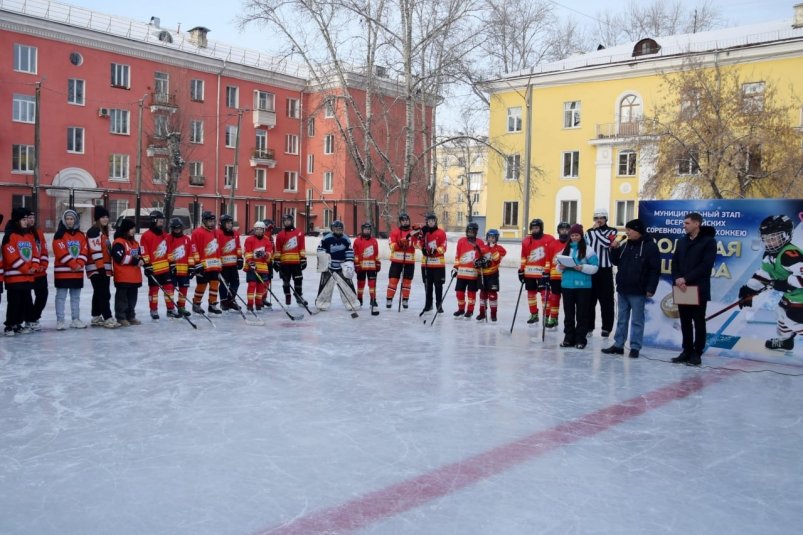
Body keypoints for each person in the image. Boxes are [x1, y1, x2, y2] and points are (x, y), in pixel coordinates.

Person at [738, 215, 803, 351]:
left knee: (794, 321)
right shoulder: (769, 255)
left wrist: (786, 283)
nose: (768, 242)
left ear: (785, 236)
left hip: (800, 297)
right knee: (781, 312)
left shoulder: (790, 255)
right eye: (766, 239)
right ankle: (785, 341)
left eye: (773, 238)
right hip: (792, 296)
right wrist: (749, 289)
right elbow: (765, 273)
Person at [602, 218, 660, 359]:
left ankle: (635, 347)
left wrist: (651, 287)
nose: (627, 232)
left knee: (637, 320)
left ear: (638, 231)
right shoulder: (626, 244)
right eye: (626, 229)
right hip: (623, 288)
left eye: (630, 229)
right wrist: (614, 249)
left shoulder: (650, 247)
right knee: (622, 318)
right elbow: (616, 261)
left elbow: (655, 269)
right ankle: (618, 345)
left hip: (638, 289)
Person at [670, 212, 717, 366]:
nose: (684, 226)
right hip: (682, 288)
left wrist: (686, 278)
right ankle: (686, 350)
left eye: (687, 223)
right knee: (685, 321)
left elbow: (705, 265)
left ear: (697, 224)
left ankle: (697, 352)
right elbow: (675, 262)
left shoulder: (708, 242)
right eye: (684, 223)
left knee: (698, 322)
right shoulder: (682, 241)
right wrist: (677, 278)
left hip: (698, 289)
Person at [557, 224, 599, 349]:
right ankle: (568, 338)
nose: (574, 237)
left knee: (582, 314)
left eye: (577, 235)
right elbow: (557, 268)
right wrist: (561, 267)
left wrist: (582, 267)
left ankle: (581, 339)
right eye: (572, 235)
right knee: (568, 314)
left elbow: (595, 268)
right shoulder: (565, 250)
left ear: (581, 236)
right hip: (567, 286)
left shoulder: (588, 250)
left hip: (583, 287)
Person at [51, 209, 89, 330]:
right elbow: (60, 251)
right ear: (64, 220)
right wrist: (74, 264)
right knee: (61, 297)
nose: (69, 221)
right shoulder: (59, 235)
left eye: (71, 219)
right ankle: (60, 320)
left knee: (75, 297)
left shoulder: (81, 235)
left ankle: (75, 319)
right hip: (63, 272)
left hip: (77, 272)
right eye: (67, 219)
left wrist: (80, 263)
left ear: (75, 220)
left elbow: (85, 249)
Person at [2, 207, 37, 336]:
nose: (26, 221)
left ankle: (18, 323)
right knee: (14, 302)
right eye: (23, 219)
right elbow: (10, 254)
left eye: (26, 219)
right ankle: (10, 325)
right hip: (14, 277)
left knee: (24, 301)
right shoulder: (10, 236)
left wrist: (34, 265)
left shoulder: (29, 235)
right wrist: (26, 268)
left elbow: (35, 253)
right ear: (17, 220)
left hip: (27, 277)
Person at [140, 210, 177, 319]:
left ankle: (170, 309)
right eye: (160, 221)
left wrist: (172, 263)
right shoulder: (146, 236)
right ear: (153, 221)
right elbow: (144, 251)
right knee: (154, 290)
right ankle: (153, 310)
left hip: (165, 269)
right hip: (153, 269)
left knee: (169, 288)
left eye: (162, 221)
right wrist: (147, 265)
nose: (162, 223)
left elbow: (169, 250)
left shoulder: (165, 235)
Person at [585, 208, 617, 337]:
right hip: (591, 269)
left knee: (607, 301)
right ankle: (589, 327)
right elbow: (586, 246)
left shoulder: (612, 231)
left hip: (605, 270)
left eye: (601, 218)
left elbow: (606, 243)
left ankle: (606, 328)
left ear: (606, 219)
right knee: (589, 300)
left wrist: (596, 231)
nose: (599, 220)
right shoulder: (588, 232)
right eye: (596, 218)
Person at [315, 220, 358, 311]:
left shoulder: (346, 239)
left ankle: (352, 303)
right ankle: (322, 303)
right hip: (329, 267)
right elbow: (320, 250)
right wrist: (325, 261)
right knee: (326, 286)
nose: (339, 231)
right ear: (332, 229)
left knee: (346, 285)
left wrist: (349, 263)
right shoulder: (326, 238)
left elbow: (349, 252)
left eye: (340, 229)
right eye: (336, 229)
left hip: (342, 266)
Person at [86, 206, 118, 328]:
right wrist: (101, 269)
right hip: (97, 269)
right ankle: (108, 317)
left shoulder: (103, 232)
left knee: (99, 293)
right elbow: (96, 252)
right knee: (104, 293)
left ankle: (96, 316)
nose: (105, 219)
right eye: (102, 217)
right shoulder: (94, 231)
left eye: (106, 217)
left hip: (102, 268)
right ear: (97, 218)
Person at [519, 218, 554, 324]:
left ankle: (546, 315)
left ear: (541, 228)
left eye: (537, 228)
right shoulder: (526, 241)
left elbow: (551, 256)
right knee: (531, 295)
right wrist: (521, 270)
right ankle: (534, 314)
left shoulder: (549, 239)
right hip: (529, 273)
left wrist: (549, 271)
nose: (534, 230)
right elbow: (524, 257)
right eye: (533, 228)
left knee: (545, 295)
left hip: (543, 273)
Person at [111, 218, 143, 326]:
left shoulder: (135, 243)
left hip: (134, 277)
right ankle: (121, 316)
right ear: (125, 229)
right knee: (122, 299)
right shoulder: (119, 242)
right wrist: (135, 260)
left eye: (134, 228)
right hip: (123, 276)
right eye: (131, 228)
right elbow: (119, 258)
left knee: (132, 299)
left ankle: (131, 316)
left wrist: (142, 260)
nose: (133, 230)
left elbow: (140, 255)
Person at [452, 222, 488, 319]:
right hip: (461, 273)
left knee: (471, 294)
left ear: (476, 232)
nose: (470, 233)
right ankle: (461, 309)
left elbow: (483, 255)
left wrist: (482, 262)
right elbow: (457, 256)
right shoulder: (461, 241)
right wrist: (455, 267)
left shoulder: (480, 242)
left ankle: (470, 311)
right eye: (469, 231)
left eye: (472, 231)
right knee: (459, 292)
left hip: (473, 274)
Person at [191, 211, 224, 315]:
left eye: (213, 221)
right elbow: (194, 248)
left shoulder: (217, 232)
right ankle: (196, 303)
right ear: (204, 221)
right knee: (201, 285)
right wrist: (197, 263)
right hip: (203, 265)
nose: (211, 223)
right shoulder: (197, 232)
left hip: (215, 264)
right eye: (209, 221)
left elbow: (219, 249)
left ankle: (212, 305)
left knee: (215, 285)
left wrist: (220, 263)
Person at [386, 212, 418, 309]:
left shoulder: (413, 233)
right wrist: (400, 243)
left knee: (407, 282)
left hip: (409, 262)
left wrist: (419, 234)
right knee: (393, 281)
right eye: (403, 221)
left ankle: (405, 299)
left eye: (407, 220)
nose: (405, 222)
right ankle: (389, 299)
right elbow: (391, 246)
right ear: (400, 222)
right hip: (396, 261)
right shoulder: (394, 232)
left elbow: (417, 245)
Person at [274, 213, 307, 306]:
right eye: (285, 221)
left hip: (296, 262)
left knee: (298, 279)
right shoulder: (280, 235)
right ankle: (287, 296)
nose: (287, 222)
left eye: (288, 220)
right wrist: (276, 260)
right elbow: (278, 249)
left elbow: (301, 247)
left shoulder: (299, 233)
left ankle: (298, 296)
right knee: (286, 281)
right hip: (285, 263)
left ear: (292, 221)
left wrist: (303, 259)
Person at [417, 213, 447, 314]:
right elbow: (417, 244)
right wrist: (423, 248)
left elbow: (444, 246)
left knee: (438, 286)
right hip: (426, 264)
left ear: (435, 222)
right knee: (427, 285)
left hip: (438, 264)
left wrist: (437, 250)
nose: (431, 223)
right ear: (427, 222)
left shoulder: (441, 233)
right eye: (429, 221)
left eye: (433, 221)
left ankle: (439, 305)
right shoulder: (423, 232)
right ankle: (428, 304)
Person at [544, 222, 571, 329]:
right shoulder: (552, 244)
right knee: (554, 298)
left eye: (566, 229)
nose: (564, 231)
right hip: (555, 277)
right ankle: (553, 318)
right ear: (558, 231)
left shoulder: (571, 244)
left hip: (567, 276)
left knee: (568, 301)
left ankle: (568, 322)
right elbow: (548, 261)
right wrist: (546, 274)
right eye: (562, 229)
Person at [166, 217, 194, 317]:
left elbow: (190, 254)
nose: (177, 230)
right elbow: (167, 252)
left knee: (183, 289)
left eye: (178, 228)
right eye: (174, 228)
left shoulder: (187, 239)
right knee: (170, 290)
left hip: (184, 270)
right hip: (172, 270)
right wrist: (171, 264)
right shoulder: (168, 238)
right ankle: (170, 309)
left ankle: (181, 307)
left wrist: (191, 267)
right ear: (171, 228)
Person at [243, 220, 273, 312]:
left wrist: (265, 255)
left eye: (261, 229)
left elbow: (269, 254)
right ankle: (250, 304)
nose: (259, 231)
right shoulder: (249, 240)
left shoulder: (267, 241)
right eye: (257, 229)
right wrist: (250, 262)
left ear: (264, 230)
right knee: (252, 285)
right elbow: (247, 253)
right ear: (254, 230)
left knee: (261, 287)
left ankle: (259, 304)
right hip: (252, 268)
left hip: (263, 268)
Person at [477, 228, 506, 322]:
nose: (491, 239)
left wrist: (492, 249)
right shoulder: (482, 248)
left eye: (493, 237)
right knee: (482, 294)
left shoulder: (500, 248)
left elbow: (497, 258)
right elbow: (476, 258)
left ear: (496, 238)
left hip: (493, 275)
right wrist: (478, 262)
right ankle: (482, 313)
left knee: (492, 295)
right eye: (489, 237)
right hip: (482, 274)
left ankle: (493, 314)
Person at [26, 209, 49, 330]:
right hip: (27, 272)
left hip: (40, 272)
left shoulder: (39, 232)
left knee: (43, 295)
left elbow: (44, 251)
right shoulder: (22, 234)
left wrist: (43, 265)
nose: (31, 220)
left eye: (33, 217)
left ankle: (34, 317)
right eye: (29, 217)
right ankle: (28, 319)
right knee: (26, 298)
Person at [353, 222, 381, 314]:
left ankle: (373, 299)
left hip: (372, 267)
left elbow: (376, 254)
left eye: (369, 229)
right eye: (365, 229)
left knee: (372, 284)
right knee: (360, 284)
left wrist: (377, 263)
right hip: (361, 267)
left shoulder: (374, 241)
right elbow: (355, 254)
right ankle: (359, 299)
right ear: (362, 230)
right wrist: (356, 264)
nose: (367, 231)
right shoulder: (357, 241)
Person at [217, 214, 243, 311]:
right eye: (227, 223)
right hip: (223, 265)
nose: (229, 225)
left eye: (230, 223)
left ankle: (230, 300)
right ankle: (223, 302)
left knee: (236, 282)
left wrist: (240, 258)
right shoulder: (218, 233)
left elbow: (238, 247)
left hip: (233, 264)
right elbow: (217, 249)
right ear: (222, 223)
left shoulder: (235, 233)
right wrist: (218, 262)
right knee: (224, 284)